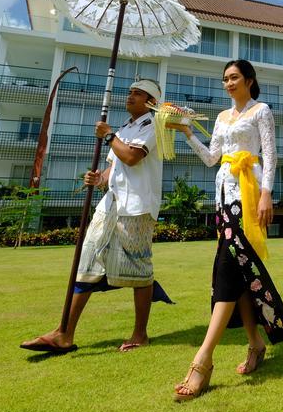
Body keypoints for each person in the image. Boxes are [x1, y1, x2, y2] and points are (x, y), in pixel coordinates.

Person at [166, 59, 283, 400]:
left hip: (249, 197)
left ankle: (203, 360)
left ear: (250, 80)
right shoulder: (222, 118)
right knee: (238, 270)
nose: (228, 83)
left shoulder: (261, 111)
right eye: (225, 79)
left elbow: (270, 155)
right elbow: (212, 158)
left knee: (226, 268)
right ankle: (255, 343)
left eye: (234, 77)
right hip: (223, 198)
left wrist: (267, 194)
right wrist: (188, 133)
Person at [20, 80, 170, 354]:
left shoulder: (153, 126)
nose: (130, 96)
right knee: (86, 260)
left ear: (151, 101)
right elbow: (112, 170)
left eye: (137, 93)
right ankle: (64, 333)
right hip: (110, 203)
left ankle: (140, 333)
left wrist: (109, 135)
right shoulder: (125, 127)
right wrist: (97, 178)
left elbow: (132, 157)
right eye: (129, 91)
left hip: (137, 208)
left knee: (139, 268)